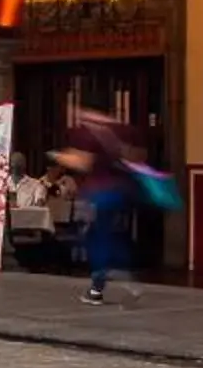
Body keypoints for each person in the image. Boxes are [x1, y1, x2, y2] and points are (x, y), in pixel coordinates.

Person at [53, 115, 140, 305]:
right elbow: (132, 156)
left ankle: (113, 274)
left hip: (99, 194)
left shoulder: (90, 134)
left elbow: (84, 162)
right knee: (106, 234)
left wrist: (60, 157)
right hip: (119, 192)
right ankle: (99, 287)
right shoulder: (116, 131)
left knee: (95, 238)